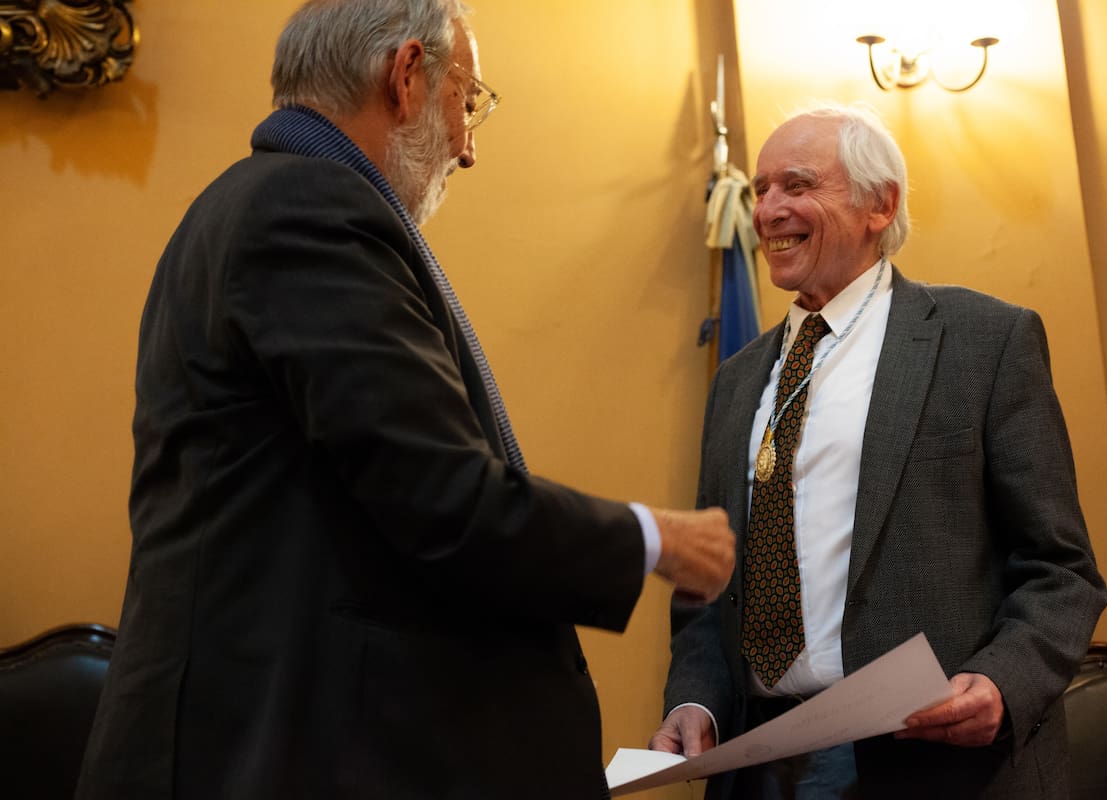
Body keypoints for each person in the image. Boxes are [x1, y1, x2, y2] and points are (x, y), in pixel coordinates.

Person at [75, 1, 735, 798]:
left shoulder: (261, 202)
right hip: (275, 755)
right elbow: (441, 497)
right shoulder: (309, 209)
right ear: (408, 74)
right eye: (468, 100)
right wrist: (653, 539)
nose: (468, 147)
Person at [648, 102, 1107, 798]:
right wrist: (695, 700)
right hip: (757, 765)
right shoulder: (737, 381)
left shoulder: (983, 342)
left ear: (879, 204)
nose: (768, 208)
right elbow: (709, 588)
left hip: (940, 769)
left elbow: (1061, 570)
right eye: (762, 188)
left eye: (797, 186)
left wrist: (1001, 683)